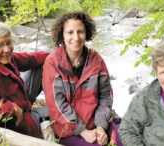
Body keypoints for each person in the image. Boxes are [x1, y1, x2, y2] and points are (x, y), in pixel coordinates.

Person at [43, 11, 123, 146]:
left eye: (80, 32)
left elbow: (105, 97)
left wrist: (100, 127)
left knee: (128, 137)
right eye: (70, 32)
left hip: (98, 123)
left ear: (86, 33)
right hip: (69, 129)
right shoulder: (53, 62)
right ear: (62, 35)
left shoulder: (96, 60)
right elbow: (57, 105)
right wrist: (83, 131)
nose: (76, 37)